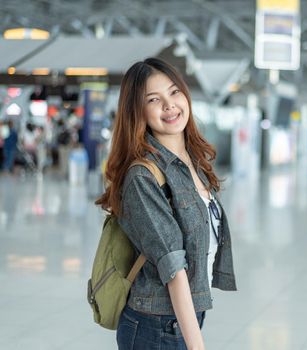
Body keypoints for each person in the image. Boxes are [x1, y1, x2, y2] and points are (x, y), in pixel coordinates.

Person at [95, 58, 237, 350]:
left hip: (182, 317)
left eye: (174, 92)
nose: (169, 105)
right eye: (154, 99)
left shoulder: (192, 163)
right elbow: (174, 269)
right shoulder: (142, 176)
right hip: (157, 326)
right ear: (139, 112)